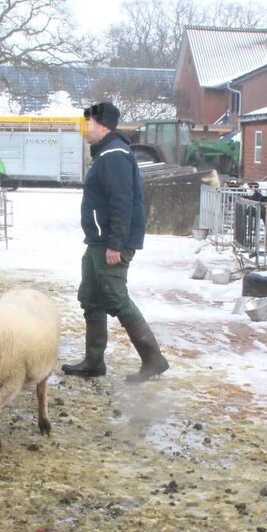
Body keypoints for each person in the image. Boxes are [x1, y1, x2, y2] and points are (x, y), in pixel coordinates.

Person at [62, 101, 169, 383]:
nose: (84, 129)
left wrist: (115, 244)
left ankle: (153, 359)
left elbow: (122, 203)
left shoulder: (115, 155)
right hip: (98, 241)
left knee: (116, 298)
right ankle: (94, 361)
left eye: (89, 123)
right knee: (91, 298)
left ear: (103, 125)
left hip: (111, 243)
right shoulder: (105, 153)